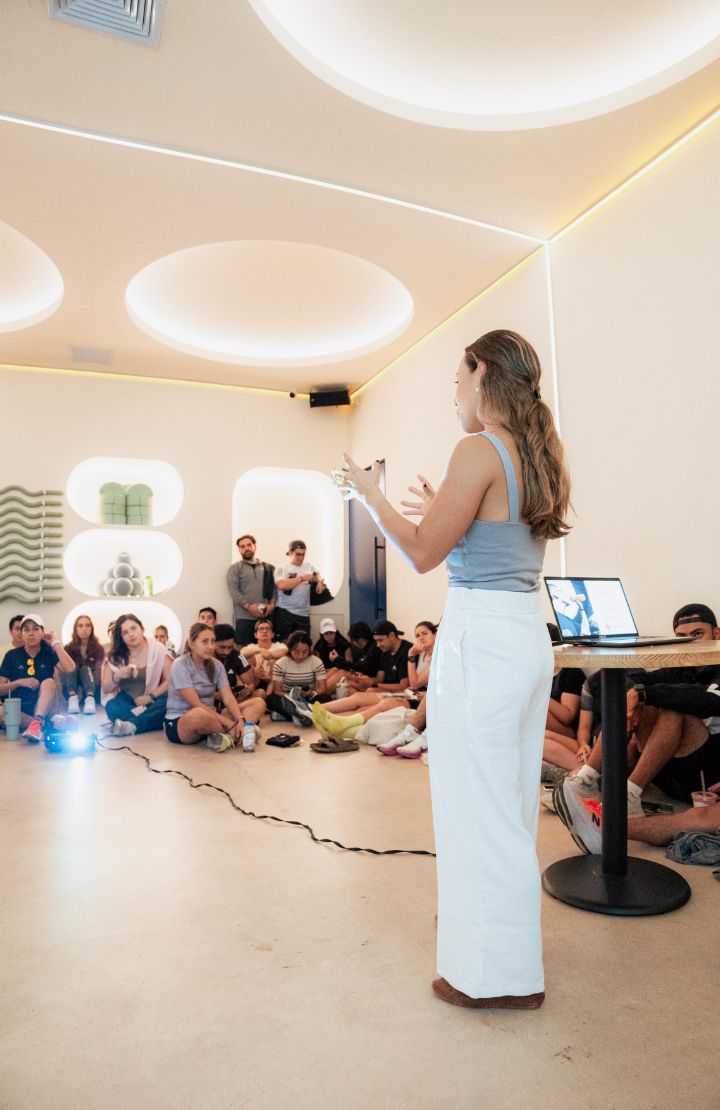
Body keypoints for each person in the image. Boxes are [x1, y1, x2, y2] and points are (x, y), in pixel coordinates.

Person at [337, 329, 570, 1010]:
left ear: (483, 374)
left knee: (475, 806)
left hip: (482, 640)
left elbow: (419, 553)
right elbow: (490, 536)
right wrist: (446, 506)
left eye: (457, 378)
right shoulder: (536, 453)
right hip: (523, 638)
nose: (455, 392)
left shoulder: (479, 449)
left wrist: (370, 495)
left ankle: (496, 977)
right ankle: (491, 939)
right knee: (508, 803)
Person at [559, 602, 720, 828]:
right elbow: (638, 679)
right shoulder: (679, 666)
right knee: (640, 702)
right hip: (667, 769)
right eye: (682, 637)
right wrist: (636, 697)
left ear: (716, 633)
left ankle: (627, 794)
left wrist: (645, 694)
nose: (691, 642)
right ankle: (588, 779)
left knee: (672, 709)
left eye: (698, 634)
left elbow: (710, 700)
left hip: (707, 776)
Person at [164, 623, 258, 752]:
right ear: (191, 643)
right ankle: (241, 733)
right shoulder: (180, 665)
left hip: (212, 716)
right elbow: (196, 704)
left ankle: (232, 733)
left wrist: (240, 719)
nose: (210, 646)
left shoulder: (217, 665)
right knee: (198, 714)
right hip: (182, 721)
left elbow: (228, 697)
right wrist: (229, 723)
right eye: (205, 642)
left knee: (258, 702)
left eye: (213, 641)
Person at [0, 613, 76, 742]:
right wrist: (19, 682)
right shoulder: (11, 655)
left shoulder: (48, 653)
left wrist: (55, 642)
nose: (31, 633)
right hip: (21, 711)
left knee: (49, 682)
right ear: (22, 635)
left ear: (42, 633)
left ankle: (38, 721)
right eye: (26, 630)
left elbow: (70, 668)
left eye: (35, 629)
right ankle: (40, 724)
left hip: (47, 707)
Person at [101, 613, 171, 736]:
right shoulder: (115, 655)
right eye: (125, 632)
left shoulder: (158, 649)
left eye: (134, 628)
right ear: (121, 637)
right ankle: (151, 720)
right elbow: (106, 688)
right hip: (127, 700)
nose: (131, 634)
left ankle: (133, 724)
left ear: (142, 629)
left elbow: (170, 680)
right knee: (111, 706)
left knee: (169, 702)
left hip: (154, 699)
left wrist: (150, 697)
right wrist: (118, 675)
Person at [212, 623, 265, 739]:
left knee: (260, 697)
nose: (226, 652)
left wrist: (247, 690)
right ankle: (244, 729)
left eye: (230, 647)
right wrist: (219, 695)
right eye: (222, 647)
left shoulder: (238, 656)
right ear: (212, 642)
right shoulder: (204, 657)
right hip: (211, 708)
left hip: (231, 705)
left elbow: (251, 683)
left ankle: (236, 731)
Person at [267, 630, 326, 725]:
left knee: (325, 698)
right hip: (288, 698)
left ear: (309, 649)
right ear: (290, 649)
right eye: (296, 652)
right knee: (270, 699)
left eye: (305, 652)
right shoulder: (281, 663)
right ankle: (305, 714)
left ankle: (290, 716)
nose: (301, 656)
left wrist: (309, 694)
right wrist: (291, 698)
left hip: (308, 697)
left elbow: (323, 688)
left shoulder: (316, 662)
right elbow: (277, 690)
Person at [227, 534, 276, 648]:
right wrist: (248, 606)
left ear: (255, 546)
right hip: (244, 618)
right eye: (242, 546)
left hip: (266, 619)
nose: (246, 548)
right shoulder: (235, 569)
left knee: (267, 650)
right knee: (244, 652)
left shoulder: (269, 568)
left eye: (249, 545)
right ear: (239, 549)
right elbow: (234, 591)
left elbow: (275, 590)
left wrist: (272, 605)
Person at [273, 540, 328, 641]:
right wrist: (302, 578)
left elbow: (317, 574)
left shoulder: (307, 565)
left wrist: (320, 582)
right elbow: (281, 585)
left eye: (303, 554)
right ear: (290, 553)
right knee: (284, 644)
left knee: (303, 644)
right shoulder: (281, 567)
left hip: (303, 614)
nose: (301, 557)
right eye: (298, 554)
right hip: (285, 612)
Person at [62, 614, 104, 714]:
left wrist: (90, 688)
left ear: (91, 628)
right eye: (80, 626)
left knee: (86, 668)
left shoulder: (98, 648)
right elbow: (64, 671)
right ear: (75, 629)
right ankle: (73, 698)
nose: (84, 628)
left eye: (87, 625)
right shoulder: (68, 648)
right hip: (72, 685)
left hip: (92, 688)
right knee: (71, 666)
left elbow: (98, 672)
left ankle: (89, 699)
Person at [241, 617, 288, 698]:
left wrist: (268, 656)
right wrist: (259, 650)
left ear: (272, 634)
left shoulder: (279, 645)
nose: (264, 631)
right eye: (261, 629)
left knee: (275, 660)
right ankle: (252, 691)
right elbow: (241, 654)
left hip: (272, 679)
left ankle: (269, 695)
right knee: (247, 659)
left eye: (268, 628)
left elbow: (285, 651)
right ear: (255, 635)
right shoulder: (251, 647)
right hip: (255, 678)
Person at [313, 617, 352, 695]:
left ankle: (319, 693)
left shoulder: (344, 644)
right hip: (326, 674)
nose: (329, 636)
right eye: (326, 634)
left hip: (342, 673)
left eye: (331, 633)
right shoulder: (318, 646)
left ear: (335, 632)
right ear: (322, 635)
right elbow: (317, 668)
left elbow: (349, 665)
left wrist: (337, 661)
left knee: (336, 670)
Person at [407, 621, 437, 691]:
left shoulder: (439, 656)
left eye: (425, 634)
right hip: (420, 693)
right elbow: (412, 682)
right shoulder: (421, 653)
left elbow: (415, 684)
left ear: (435, 635)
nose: (421, 638)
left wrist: (411, 654)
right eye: (418, 636)